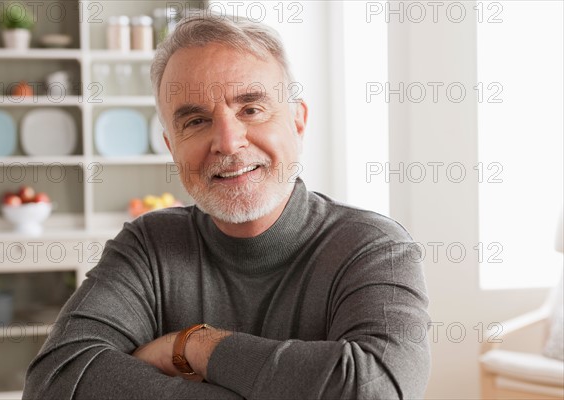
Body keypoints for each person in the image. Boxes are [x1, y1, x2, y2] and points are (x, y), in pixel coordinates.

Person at [23, 13, 430, 400]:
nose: (228, 141)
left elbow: (376, 388)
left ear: (298, 121)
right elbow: (54, 382)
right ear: (171, 146)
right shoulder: (149, 245)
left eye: (251, 109)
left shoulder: (373, 246)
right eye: (196, 121)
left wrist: (194, 345)